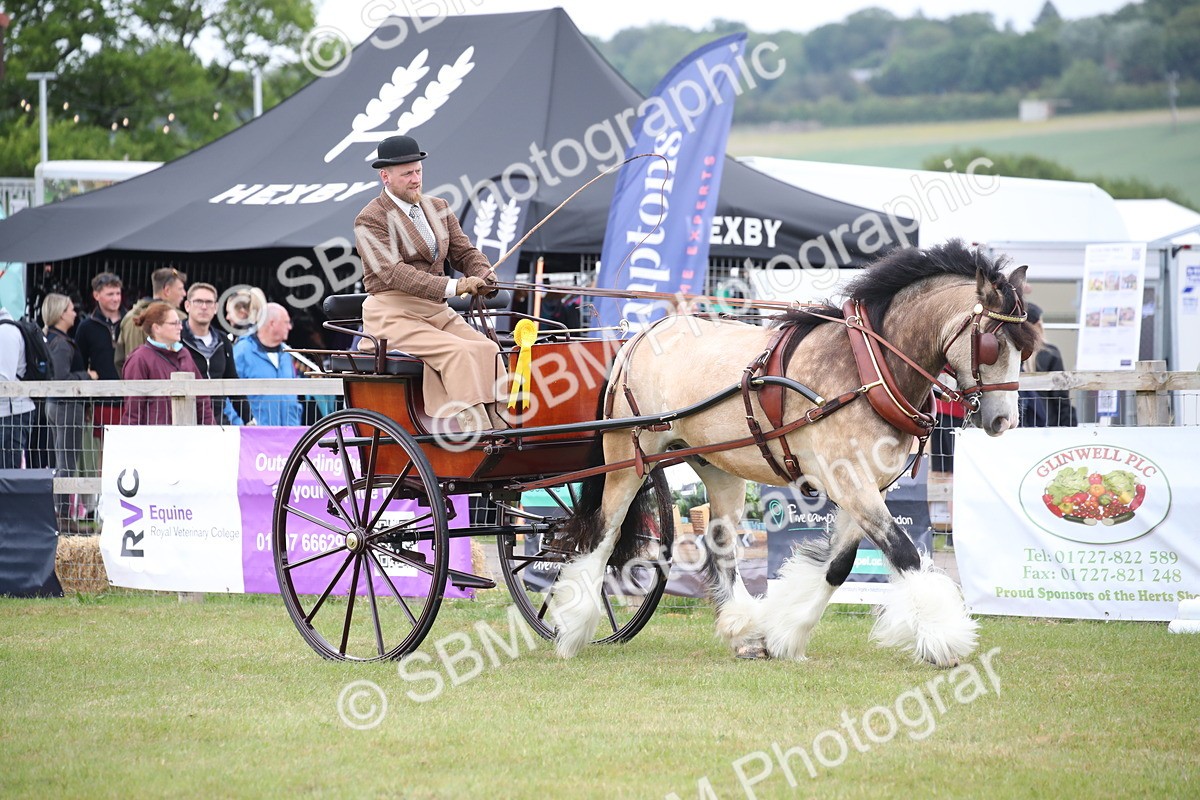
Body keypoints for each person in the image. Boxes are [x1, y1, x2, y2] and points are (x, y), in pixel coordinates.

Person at [354, 134, 506, 433]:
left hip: (436, 311)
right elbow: (394, 273)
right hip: (393, 314)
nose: (415, 179)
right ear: (385, 176)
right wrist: (455, 287)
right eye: (407, 174)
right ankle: (474, 431)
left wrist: (484, 275)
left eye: (418, 171)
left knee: (488, 349)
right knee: (459, 353)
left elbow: (464, 252)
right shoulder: (370, 219)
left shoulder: (438, 207)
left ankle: (502, 424)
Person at [42, 294, 98, 519]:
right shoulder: (62, 344)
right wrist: (87, 376)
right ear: (61, 313)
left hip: (56, 405)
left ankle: (60, 513)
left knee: (61, 461)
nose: (75, 313)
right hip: (66, 406)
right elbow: (61, 379)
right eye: (70, 309)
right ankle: (63, 516)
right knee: (67, 463)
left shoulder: (52, 339)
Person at [121, 301, 214, 425]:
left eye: (179, 323)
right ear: (156, 328)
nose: (180, 327)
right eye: (174, 323)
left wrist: (210, 428)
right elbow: (134, 408)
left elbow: (202, 399)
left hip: (187, 432)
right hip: (155, 434)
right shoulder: (139, 358)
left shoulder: (184, 353)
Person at [180, 282, 247, 425]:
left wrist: (249, 420)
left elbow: (232, 381)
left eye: (209, 302)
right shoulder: (176, 339)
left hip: (217, 419)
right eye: (198, 301)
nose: (204, 307)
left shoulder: (223, 341)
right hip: (183, 419)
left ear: (216, 308)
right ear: (187, 306)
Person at [233, 302, 303, 426]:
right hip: (256, 433)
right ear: (272, 323)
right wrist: (241, 425)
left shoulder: (287, 354)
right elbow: (229, 394)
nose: (290, 327)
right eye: (286, 322)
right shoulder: (242, 351)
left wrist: (295, 423)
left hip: (289, 432)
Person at [116, 267, 187, 373]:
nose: (184, 293)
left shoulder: (128, 317)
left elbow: (119, 359)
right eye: (180, 289)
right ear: (167, 290)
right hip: (166, 382)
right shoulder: (180, 318)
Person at [1019, 303, 1077, 428]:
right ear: (1038, 325)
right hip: (1048, 425)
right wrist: (1069, 426)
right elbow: (1061, 397)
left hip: (1019, 423)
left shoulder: (1014, 354)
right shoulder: (1050, 353)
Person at [0, 304, 37, 468]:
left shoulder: (6, 332)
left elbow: (3, 381)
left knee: (7, 473)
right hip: (8, 413)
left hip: (10, 416)